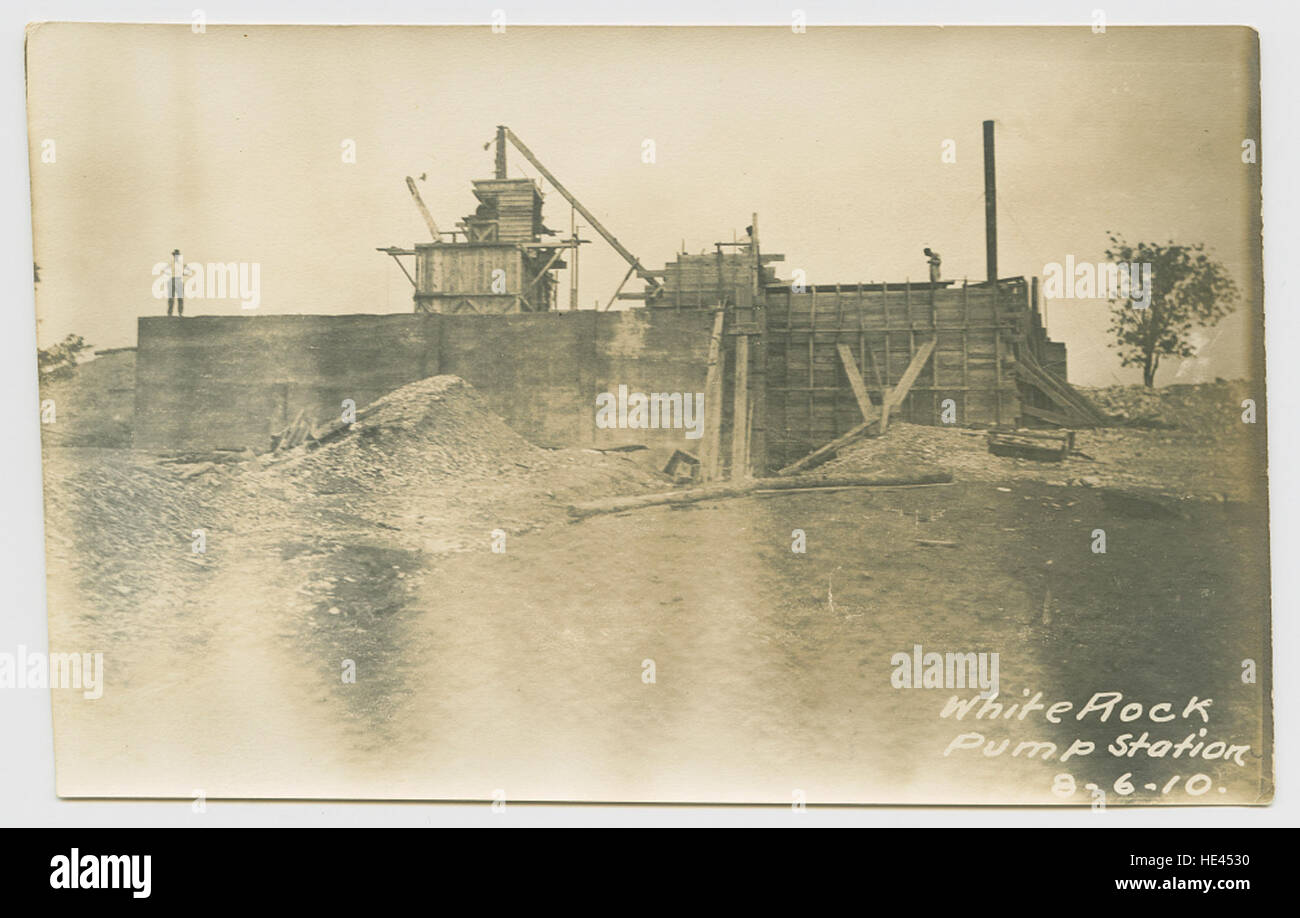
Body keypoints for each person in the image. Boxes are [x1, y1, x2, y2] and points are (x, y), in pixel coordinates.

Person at [166, 249, 194, 316]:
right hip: (172, 280)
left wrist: (182, 273)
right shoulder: (171, 264)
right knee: (171, 298)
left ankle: (180, 313)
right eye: (175, 255)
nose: (176, 257)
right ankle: (170, 313)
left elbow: (190, 271)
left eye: (177, 255)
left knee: (180, 298)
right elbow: (165, 271)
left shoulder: (182, 264)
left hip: (178, 280)